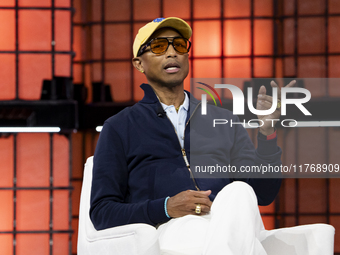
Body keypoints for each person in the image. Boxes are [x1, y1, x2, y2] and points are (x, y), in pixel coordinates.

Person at [90, 17, 295, 254]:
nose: (171, 53)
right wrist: (166, 207)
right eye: (158, 47)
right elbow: (102, 212)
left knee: (239, 191)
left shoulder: (225, 120)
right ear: (139, 64)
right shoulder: (119, 127)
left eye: (178, 45)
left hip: (229, 222)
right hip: (172, 229)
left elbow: (263, 193)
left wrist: (267, 133)